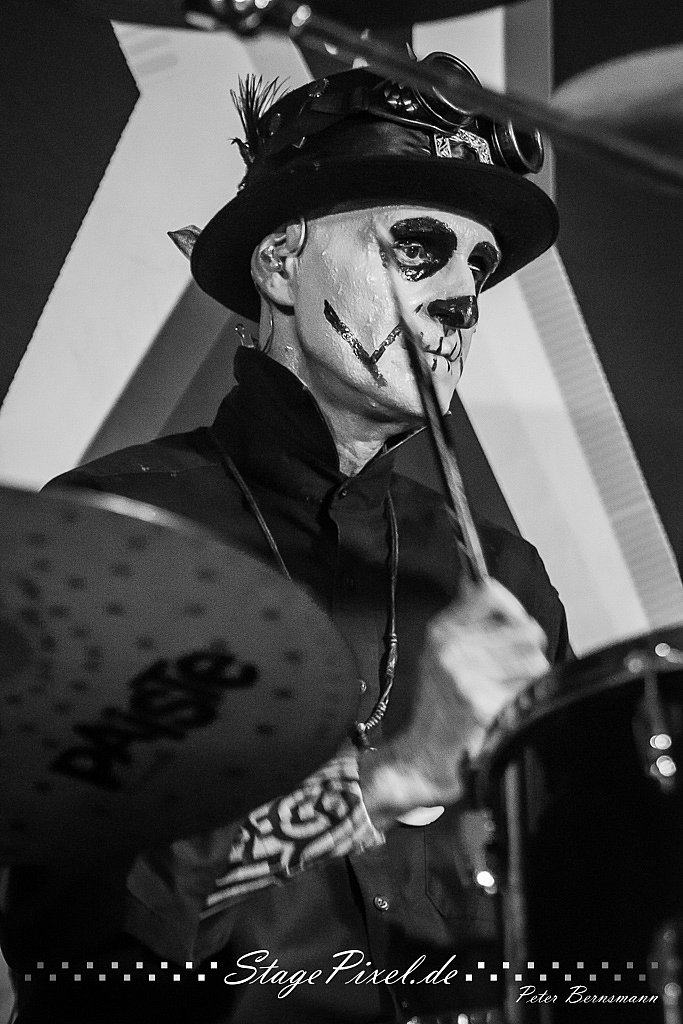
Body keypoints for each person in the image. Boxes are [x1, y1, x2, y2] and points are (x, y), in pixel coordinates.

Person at [1, 56, 568, 1023]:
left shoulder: (499, 577)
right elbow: (75, 940)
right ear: (279, 265)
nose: (462, 297)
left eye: (479, 267)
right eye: (418, 246)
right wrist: (388, 779)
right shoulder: (116, 540)